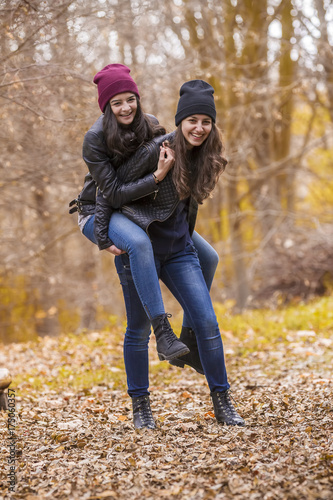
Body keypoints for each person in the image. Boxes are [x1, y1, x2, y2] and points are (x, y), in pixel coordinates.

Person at [87, 76, 245, 429]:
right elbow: (107, 194)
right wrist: (102, 236)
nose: (199, 128)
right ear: (179, 122)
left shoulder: (207, 158)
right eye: (192, 121)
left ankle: (223, 403)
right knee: (139, 330)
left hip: (178, 251)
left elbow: (188, 211)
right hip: (139, 250)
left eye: (206, 122)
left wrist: (188, 244)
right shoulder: (157, 150)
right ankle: (141, 407)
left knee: (207, 322)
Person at [75, 64, 219, 375]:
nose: (125, 107)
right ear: (106, 106)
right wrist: (103, 236)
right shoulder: (95, 139)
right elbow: (109, 194)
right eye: (117, 102)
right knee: (139, 243)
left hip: (136, 211)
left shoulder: (151, 126)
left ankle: (188, 338)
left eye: (130, 99)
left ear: (138, 99)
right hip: (98, 211)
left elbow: (172, 172)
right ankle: (162, 332)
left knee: (208, 257)